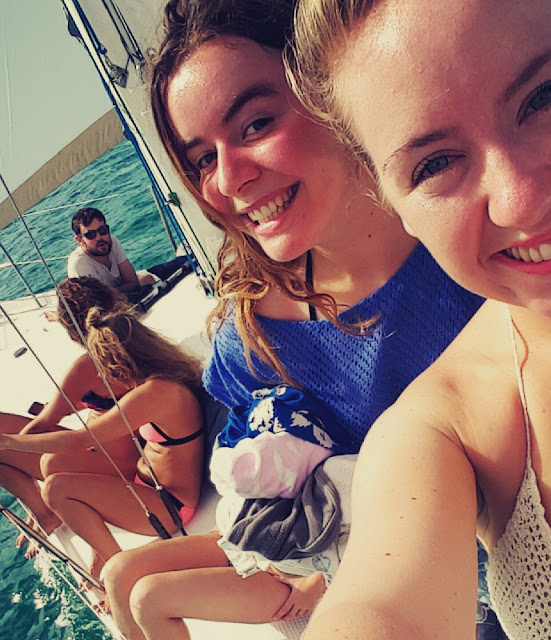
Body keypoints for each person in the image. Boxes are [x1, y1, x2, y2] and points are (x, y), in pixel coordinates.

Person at [100, 0, 485, 638]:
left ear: (328, 87)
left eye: (255, 123)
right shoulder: (252, 340)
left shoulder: (474, 236)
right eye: (202, 160)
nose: (228, 179)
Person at [287, 0, 551, 638]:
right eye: (435, 164)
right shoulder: (441, 431)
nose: (519, 199)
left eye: (547, 95)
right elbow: (380, 607)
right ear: (395, 206)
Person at [0, 276, 205, 585]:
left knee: (56, 489)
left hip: (171, 507)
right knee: (53, 472)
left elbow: (79, 439)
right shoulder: (160, 382)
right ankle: (105, 556)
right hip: (149, 485)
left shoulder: (155, 394)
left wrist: (7, 442)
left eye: (108, 365)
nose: (108, 376)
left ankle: (119, 572)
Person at [67, 207, 190, 304]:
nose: (99, 237)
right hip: (114, 307)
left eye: (102, 230)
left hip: (124, 293)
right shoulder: (79, 265)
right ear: (79, 240)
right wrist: (126, 288)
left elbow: (132, 281)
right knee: (149, 285)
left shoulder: (111, 241)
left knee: (183, 262)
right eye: (90, 235)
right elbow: (101, 304)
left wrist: (118, 290)